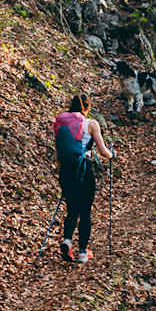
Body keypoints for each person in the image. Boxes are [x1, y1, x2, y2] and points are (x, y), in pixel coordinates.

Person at [53, 94, 113, 263]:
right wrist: (111, 155)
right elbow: (103, 151)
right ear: (87, 108)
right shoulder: (91, 124)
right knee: (85, 211)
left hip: (66, 171)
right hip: (84, 170)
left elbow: (58, 151)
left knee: (72, 208)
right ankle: (83, 252)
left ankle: (67, 241)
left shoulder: (61, 123)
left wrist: (61, 172)